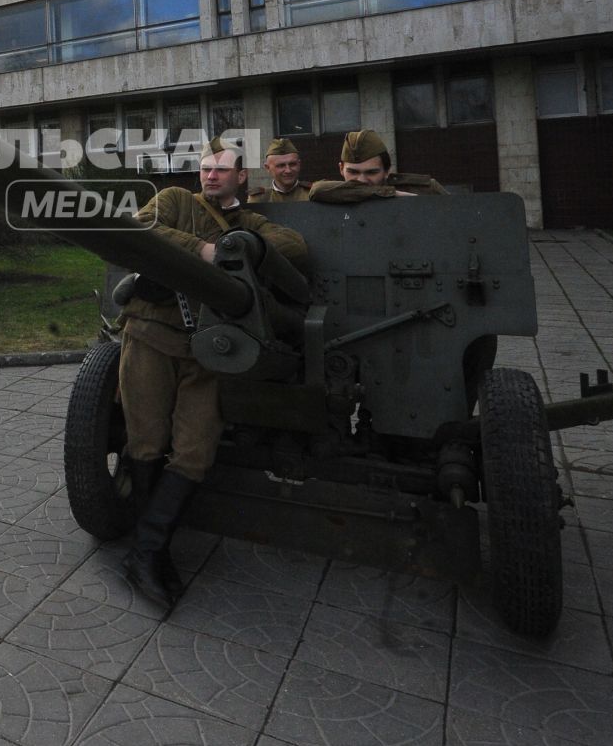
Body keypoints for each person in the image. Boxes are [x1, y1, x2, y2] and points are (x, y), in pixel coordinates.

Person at [115, 137, 307, 613]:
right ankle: (149, 552)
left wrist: (245, 247)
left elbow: (295, 247)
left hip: (212, 349)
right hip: (152, 335)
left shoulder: (251, 223)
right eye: (205, 168)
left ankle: (145, 551)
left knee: (195, 451)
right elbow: (144, 226)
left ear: (243, 177)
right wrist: (202, 249)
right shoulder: (177, 200)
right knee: (145, 441)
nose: (211, 175)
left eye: (222, 169)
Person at [307, 129, 448, 201]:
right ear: (341, 169)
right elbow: (316, 190)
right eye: (353, 172)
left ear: (387, 171)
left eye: (371, 172)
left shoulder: (426, 189)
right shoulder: (335, 194)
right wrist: (389, 194)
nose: (361, 180)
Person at [249, 137, 308, 203]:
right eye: (281, 166)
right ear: (268, 168)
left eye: (292, 164)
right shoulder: (260, 199)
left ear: (299, 164)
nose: (288, 170)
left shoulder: (312, 194)